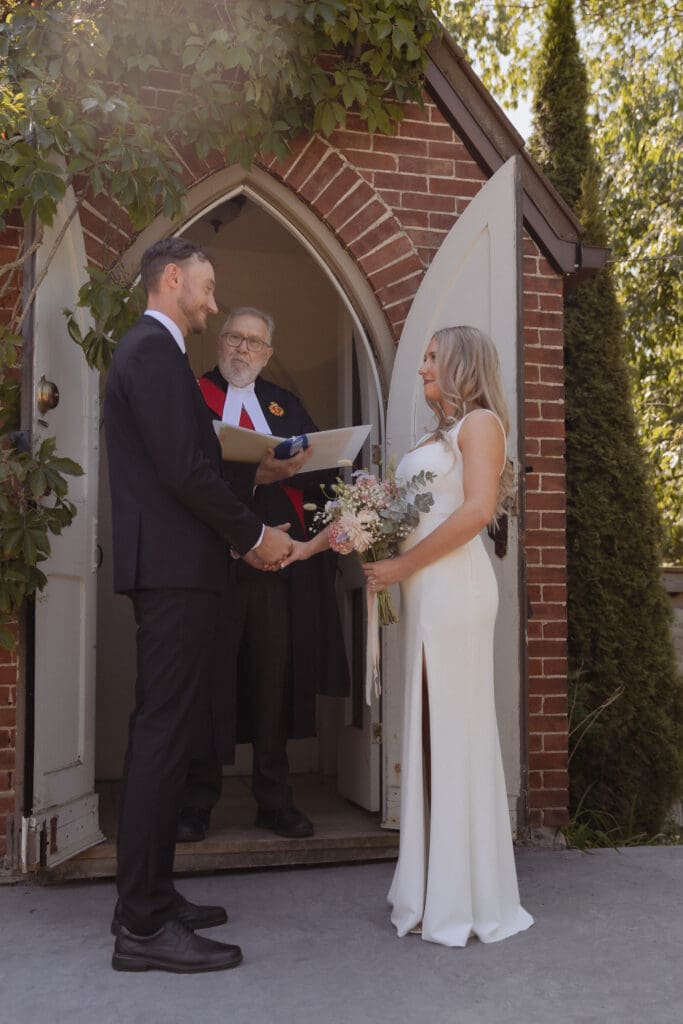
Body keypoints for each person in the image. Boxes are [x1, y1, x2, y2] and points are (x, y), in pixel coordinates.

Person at [282, 325, 534, 946]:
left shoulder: (480, 425)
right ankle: (430, 887)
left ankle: (463, 894)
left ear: (461, 365)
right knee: (428, 729)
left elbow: (476, 512)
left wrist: (399, 567)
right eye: (422, 357)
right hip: (426, 591)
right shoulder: (435, 438)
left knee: (451, 731)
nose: (421, 367)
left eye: (430, 358)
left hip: (455, 590)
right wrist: (307, 547)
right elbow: (386, 511)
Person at [104, 240, 293, 974]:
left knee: (170, 731)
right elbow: (182, 470)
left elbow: (188, 459)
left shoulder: (159, 355)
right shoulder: (151, 354)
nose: (213, 305)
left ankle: (151, 894)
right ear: (173, 279)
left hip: (181, 569)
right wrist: (253, 537)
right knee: (161, 735)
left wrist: (258, 472)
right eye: (209, 289)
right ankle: (143, 926)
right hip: (176, 573)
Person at [178, 307, 349, 842]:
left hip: (273, 570)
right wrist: (252, 476)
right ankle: (196, 803)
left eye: (254, 343)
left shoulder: (284, 404)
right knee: (208, 684)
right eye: (234, 338)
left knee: (272, 681)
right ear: (219, 343)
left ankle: (274, 800)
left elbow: (318, 472)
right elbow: (183, 475)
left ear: (268, 353)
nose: (243, 350)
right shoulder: (192, 396)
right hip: (211, 566)